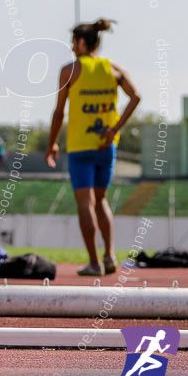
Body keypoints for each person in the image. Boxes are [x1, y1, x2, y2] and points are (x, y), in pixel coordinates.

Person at [45, 19, 141, 277]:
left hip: (80, 147)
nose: (71, 46)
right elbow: (136, 97)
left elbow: (58, 113)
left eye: (73, 41)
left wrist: (52, 143)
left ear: (80, 42)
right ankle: (110, 256)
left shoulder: (70, 71)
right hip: (105, 146)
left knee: (84, 204)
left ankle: (94, 262)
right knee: (101, 201)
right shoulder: (113, 69)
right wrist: (115, 129)